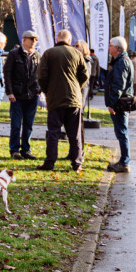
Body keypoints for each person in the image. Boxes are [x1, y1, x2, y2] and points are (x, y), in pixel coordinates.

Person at [36, 29, 88, 172]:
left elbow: (42, 76)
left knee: (53, 132)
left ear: (57, 38)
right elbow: (85, 75)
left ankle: (50, 162)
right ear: (69, 40)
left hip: (55, 99)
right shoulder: (77, 53)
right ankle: (77, 163)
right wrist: (77, 87)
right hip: (74, 99)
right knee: (75, 133)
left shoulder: (48, 53)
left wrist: (47, 91)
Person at [4, 31, 41, 160]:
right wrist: (9, 92)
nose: (33, 42)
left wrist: (39, 90)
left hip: (32, 95)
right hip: (17, 95)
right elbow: (7, 73)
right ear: (24, 40)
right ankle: (14, 150)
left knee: (28, 124)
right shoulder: (14, 54)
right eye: (31, 39)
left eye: (35, 40)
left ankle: (26, 149)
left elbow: (40, 75)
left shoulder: (37, 56)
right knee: (16, 124)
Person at [104, 37, 134, 172]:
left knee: (121, 132)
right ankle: (124, 160)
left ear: (117, 48)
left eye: (110, 45)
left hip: (119, 104)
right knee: (121, 132)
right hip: (121, 102)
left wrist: (112, 104)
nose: (109, 48)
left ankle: (124, 162)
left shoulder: (121, 62)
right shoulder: (122, 61)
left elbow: (118, 86)